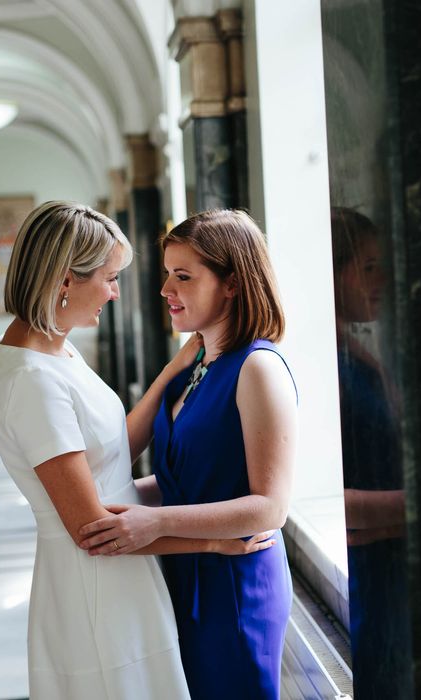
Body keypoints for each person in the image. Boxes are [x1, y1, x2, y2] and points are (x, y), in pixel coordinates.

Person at [0, 201, 275, 700]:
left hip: (124, 574)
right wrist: (212, 543)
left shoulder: (53, 346)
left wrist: (178, 366)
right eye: (109, 277)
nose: (116, 292)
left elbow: (109, 451)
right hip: (98, 588)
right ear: (64, 280)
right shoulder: (32, 379)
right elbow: (92, 530)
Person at [78, 209, 298, 700]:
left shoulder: (258, 368)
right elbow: (182, 476)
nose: (165, 290)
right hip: (182, 565)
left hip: (235, 582)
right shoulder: (194, 367)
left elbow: (270, 507)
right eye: (166, 274)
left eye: (183, 276)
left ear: (233, 284)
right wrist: (117, 500)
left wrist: (153, 523)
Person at [331, 206, 413, 698]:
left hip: (388, 557)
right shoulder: (328, 366)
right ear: (333, 271)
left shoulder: (355, 353)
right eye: (368, 267)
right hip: (369, 571)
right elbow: (309, 493)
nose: (383, 279)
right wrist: (418, 510)